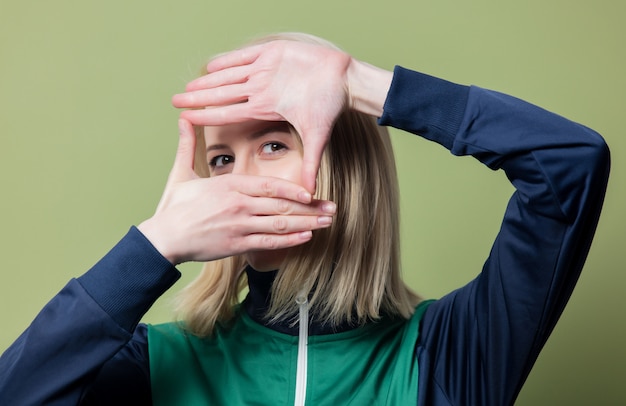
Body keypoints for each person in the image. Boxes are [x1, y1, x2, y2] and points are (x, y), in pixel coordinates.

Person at [0, 32, 610, 405]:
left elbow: (569, 164)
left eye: (272, 145)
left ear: (344, 169)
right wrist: (152, 246)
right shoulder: (157, 366)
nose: (238, 178)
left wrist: (357, 83)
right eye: (219, 158)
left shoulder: (447, 356)